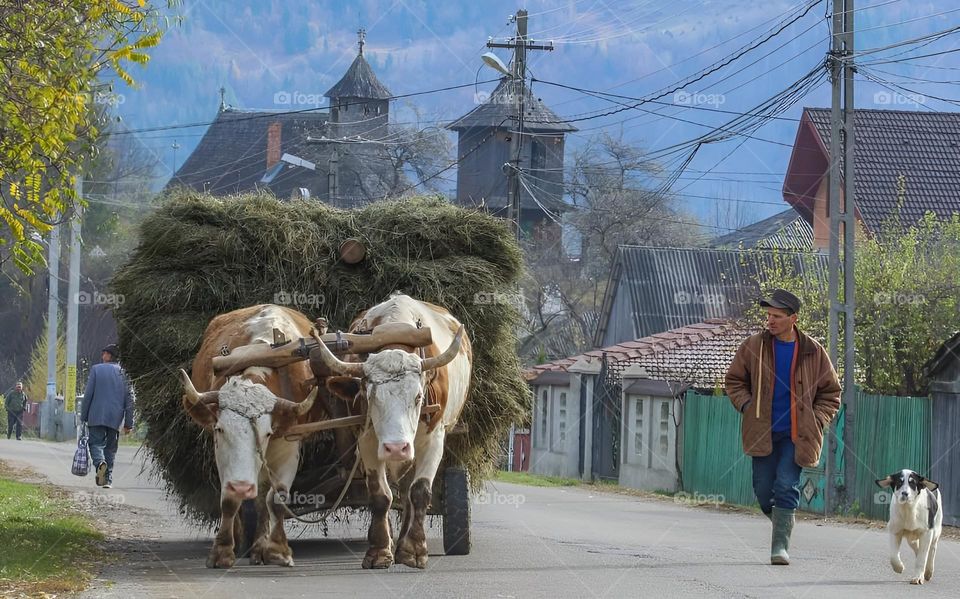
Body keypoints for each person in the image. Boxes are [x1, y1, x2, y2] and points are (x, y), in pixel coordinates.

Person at [725, 289, 841, 566]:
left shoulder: (813, 351)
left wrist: (817, 419)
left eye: (777, 316)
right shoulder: (753, 346)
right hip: (762, 431)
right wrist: (747, 405)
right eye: (768, 315)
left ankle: (779, 547)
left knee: (786, 484)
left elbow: (831, 393)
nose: (770, 321)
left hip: (797, 435)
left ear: (793, 318)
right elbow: (734, 381)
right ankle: (782, 523)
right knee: (764, 491)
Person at [80, 344, 134, 489]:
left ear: (109, 355)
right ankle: (107, 480)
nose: (102, 355)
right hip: (115, 418)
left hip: (96, 415)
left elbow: (88, 395)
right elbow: (130, 399)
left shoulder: (96, 370)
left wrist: (84, 416)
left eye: (104, 353)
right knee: (110, 449)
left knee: (95, 444)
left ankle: (99, 463)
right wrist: (129, 423)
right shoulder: (125, 373)